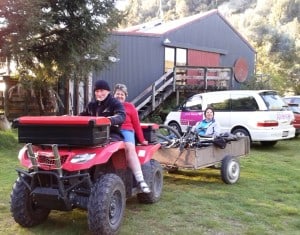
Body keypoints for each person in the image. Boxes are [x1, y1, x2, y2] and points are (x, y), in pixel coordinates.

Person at [113, 83, 151, 193]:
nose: (119, 96)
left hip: (126, 130)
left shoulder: (129, 107)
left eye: (122, 94)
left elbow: (136, 124)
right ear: (113, 94)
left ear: (125, 96)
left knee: (129, 149)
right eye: (117, 94)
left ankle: (140, 180)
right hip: (112, 131)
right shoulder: (110, 106)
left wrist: (142, 139)